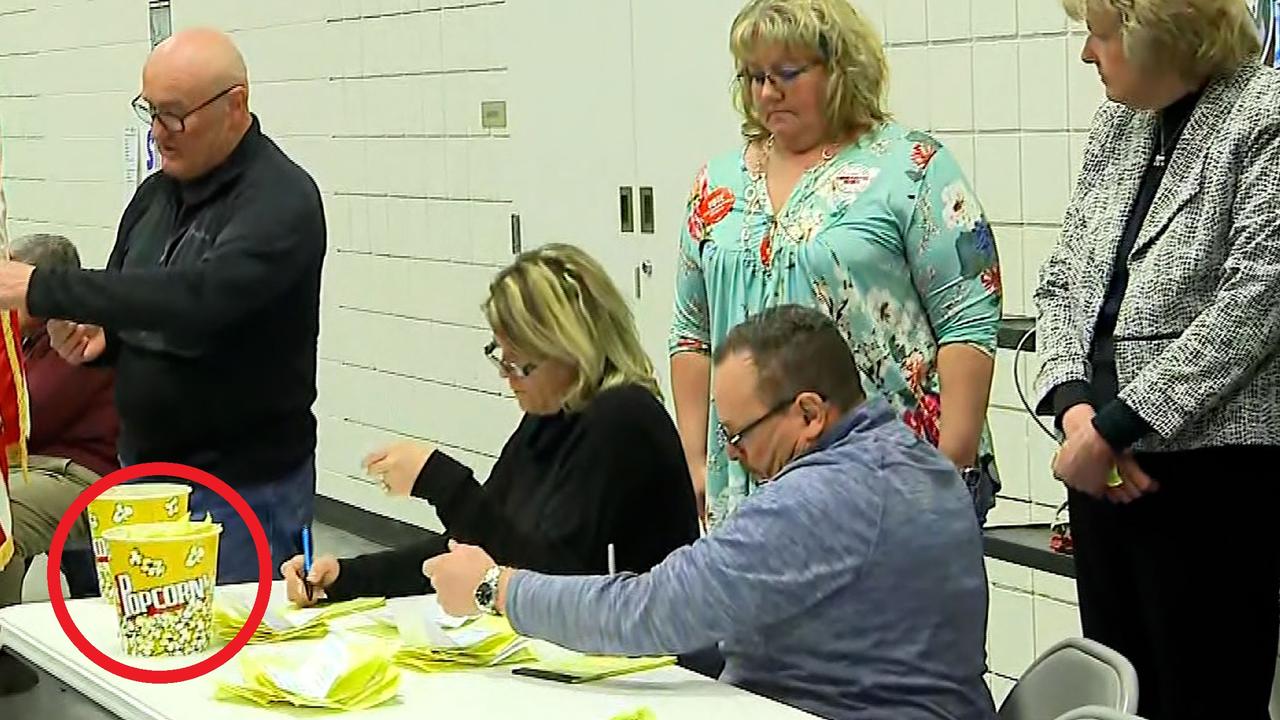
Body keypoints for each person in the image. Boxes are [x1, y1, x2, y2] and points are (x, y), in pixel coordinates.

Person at [424, 305, 995, 720]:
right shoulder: (918, 464)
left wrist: (496, 589)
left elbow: (652, 608)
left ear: (809, 413)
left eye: (738, 433)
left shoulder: (819, 500)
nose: (732, 455)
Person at [0, 29, 326, 584]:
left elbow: (200, 299)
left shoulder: (280, 201)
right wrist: (103, 339)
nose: (158, 133)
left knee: (232, 652)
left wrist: (45, 288)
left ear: (236, 105)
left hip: (241, 490)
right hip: (143, 474)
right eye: (150, 112)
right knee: (145, 648)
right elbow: (131, 296)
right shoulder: (155, 197)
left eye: (174, 116)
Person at [1033, 2, 1280, 718]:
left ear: (1163, 39)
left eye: (1101, 36)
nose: (1088, 53)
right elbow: (1066, 279)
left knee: (1205, 696)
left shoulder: (1263, 114)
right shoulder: (1121, 122)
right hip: (1098, 470)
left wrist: (1115, 426)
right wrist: (1077, 410)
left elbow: (1258, 298)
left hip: (1210, 476)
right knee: (1120, 695)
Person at [670, 0, 1002, 530]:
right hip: (753, 478)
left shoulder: (910, 167)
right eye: (754, 77)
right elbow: (691, 335)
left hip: (894, 473)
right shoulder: (718, 184)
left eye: (787, 74)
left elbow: (969, 318)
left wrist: (950, 462)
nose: (766, 93)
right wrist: (694, 460)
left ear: (841, 69)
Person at [282, 244, 699, 609]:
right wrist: (346, 579)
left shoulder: (621, 420)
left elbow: (545, 578)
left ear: (571, 352)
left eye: (520, 364)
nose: (507, 376)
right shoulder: (550, 418)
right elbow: (476, 544)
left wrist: (441, 481)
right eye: (501, 357)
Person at [0, 234, 119, 696]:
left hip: (80, 475)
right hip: (37, 466)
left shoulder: (77, 340)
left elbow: (29, 413)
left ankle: (3, 650)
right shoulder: (25, 339)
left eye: (15, 286)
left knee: (4, 512)